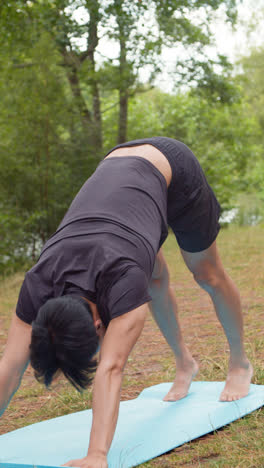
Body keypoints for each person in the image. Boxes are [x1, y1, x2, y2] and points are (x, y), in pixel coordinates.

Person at [0, 137, 253, 468]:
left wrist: (96, 455)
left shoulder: (123, 281)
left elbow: (112, 367)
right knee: (155, 278)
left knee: (207, 274)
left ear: (96, 325)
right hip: (118, 182)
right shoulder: (37, 284)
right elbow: (9, 368)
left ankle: (239, 363)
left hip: (171, 168)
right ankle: (185, 364)